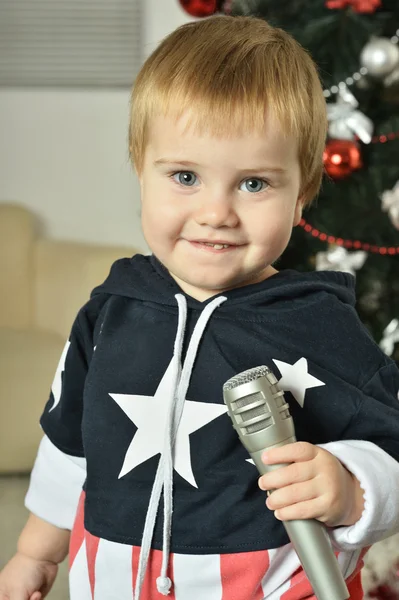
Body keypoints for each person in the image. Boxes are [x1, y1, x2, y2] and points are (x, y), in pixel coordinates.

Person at [1, 14, 399, 600]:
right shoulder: (113, 309)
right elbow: (69, 440)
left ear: (302, 193)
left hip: (265, 581)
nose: (217, 212)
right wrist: (35, 551)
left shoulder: (319, 323)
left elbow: (388, 445)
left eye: (255, 184)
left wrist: (350, 487)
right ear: (142, 170)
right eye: (185, 176)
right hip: (116, 575)